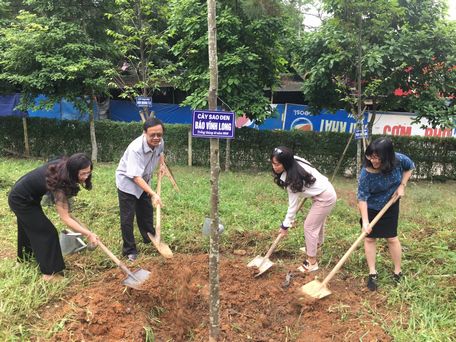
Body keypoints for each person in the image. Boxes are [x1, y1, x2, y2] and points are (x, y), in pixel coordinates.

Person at [8, 153, 98, 281]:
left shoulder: (65, 167)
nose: (86, 176)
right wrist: (88, 234)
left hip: (26, 195)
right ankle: (50, 274)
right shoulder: (59, 183)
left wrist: (86, 231)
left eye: (88, 172)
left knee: (29, 227)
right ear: (73, 172)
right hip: (20, 199)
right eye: (82, 173)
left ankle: (24, 260)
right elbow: (65, 218)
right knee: (46, 232)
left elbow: (67, 212)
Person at [357, 137, 414, 291]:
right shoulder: (366, 173)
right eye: (370, 156)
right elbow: (362, 198)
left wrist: (402, 185)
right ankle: (372, 273)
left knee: (392, 238)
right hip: (371, 206)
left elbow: (410, 168)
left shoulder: (399, 160)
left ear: (388, 157)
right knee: (369, 239)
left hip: (391, 204)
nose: (373, 161)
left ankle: (397, 271)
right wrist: (366, 222)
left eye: (377, 158)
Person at [271, 146, 337, 273]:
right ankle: (316, 244)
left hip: (325, 196)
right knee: (317, 222)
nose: (275, 167)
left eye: (278, 164)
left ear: (286, 162)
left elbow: (292, 207)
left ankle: (312, 262)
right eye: (273, 163)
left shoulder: (292, 179)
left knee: (309, 226)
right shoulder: (294, 160)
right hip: (322, 190)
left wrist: (285, 226)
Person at [116, 117, 165, 261]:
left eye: (159, 134)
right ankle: (129, 250)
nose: (156, 138)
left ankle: (149, 237)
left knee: (146, 212)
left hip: (144, 181)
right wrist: (153, 193)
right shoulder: (135, 149)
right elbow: (135, 177)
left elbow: (161, 152)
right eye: (152, 135)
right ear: (144, 133)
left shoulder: (160, 142)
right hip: (128, 184)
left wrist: (162, 164)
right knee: (127, 218)